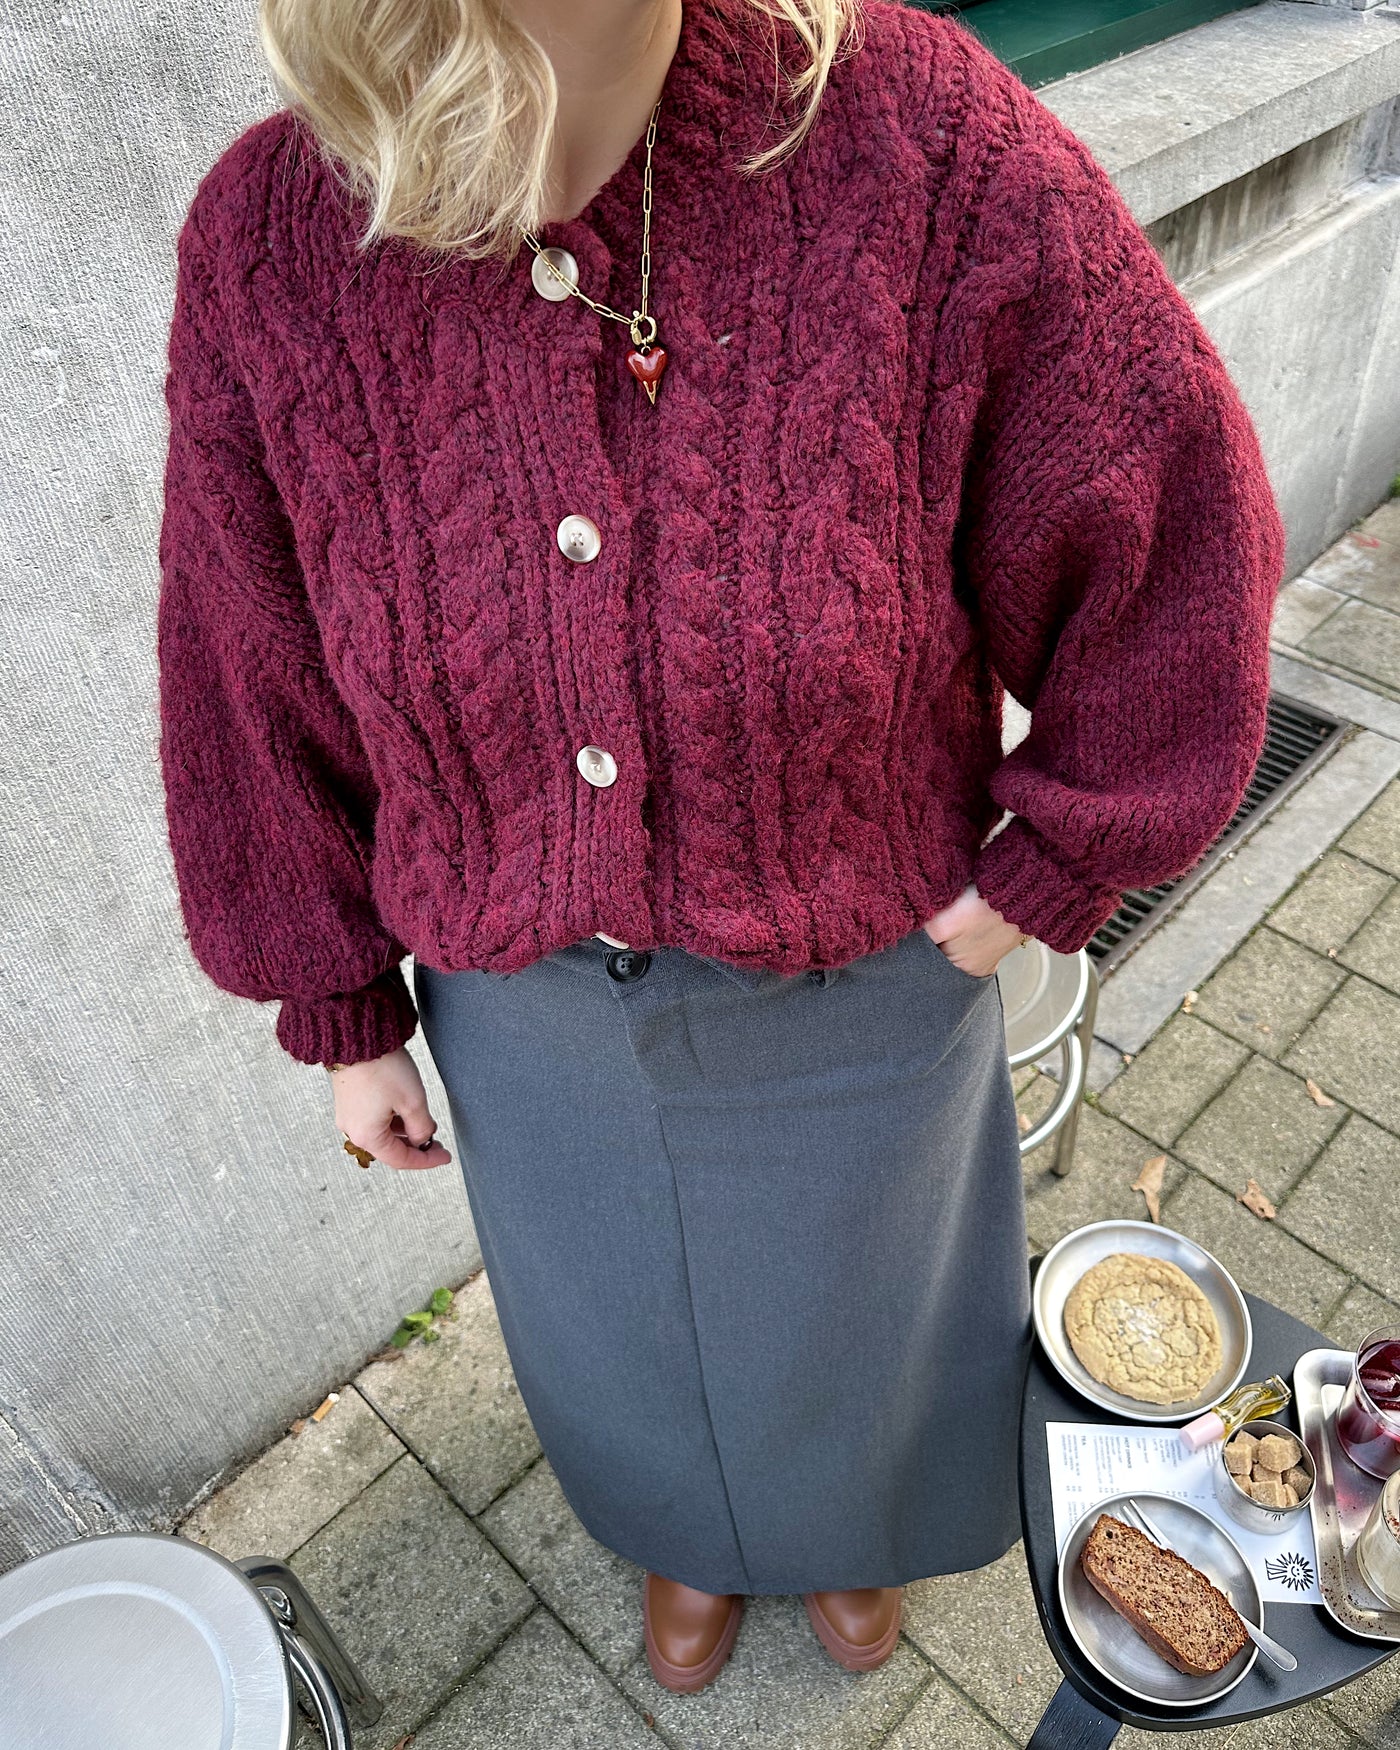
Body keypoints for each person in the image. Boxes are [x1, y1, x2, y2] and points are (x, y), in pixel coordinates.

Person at [155, 0, 1286, 1694]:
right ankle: (683, 1528)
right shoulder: (274, 241)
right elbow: (245, 668)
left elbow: (1170, 501)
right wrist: (343, 1008)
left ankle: (863, 1529)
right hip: (522, 1005)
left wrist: (1059, 853)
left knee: (873, 1320)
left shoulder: (919, 139)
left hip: (864, 977)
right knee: (617, 1328)